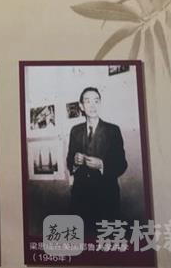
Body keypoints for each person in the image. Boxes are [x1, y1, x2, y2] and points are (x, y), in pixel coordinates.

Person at [66, 87, 127, 234]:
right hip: (80, 197)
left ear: (100, 104)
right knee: (84, 239)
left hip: (106, 197)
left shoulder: (113, 130)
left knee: (106, 240)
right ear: (81, 106)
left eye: (96, 101)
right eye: (87, 101)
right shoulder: (75, 131)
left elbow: (122, 164)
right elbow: (69, 161)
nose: (92, 105)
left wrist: (102, 165)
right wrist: (74, 162)